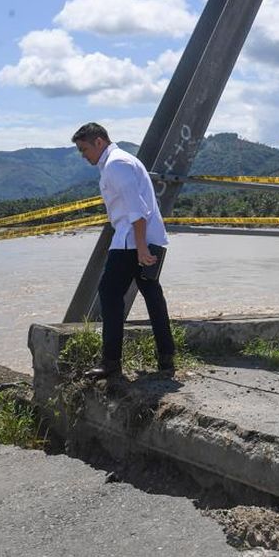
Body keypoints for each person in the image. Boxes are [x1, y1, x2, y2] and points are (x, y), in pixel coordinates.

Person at [72, 122, 175, 379]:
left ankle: (111, 362)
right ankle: (166, 357)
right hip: (142, 239)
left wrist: (140, 248)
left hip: (131, 242)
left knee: (109, 293)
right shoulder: (120, 161)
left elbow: (137, 211)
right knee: (152, 295)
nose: (83, 156)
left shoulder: (116, 164)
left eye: (84, 149)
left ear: (99, 142)